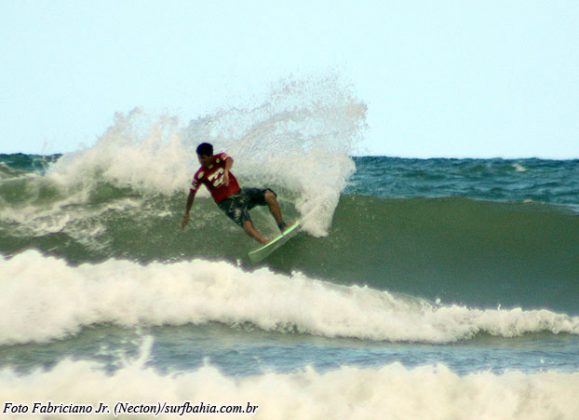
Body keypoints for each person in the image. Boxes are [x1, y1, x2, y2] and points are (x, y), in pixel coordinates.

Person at [181, 143, 287, 244]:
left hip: (240, 194)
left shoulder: (219, 158)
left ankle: (282, 226)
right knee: (245, 221)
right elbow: (192, 194)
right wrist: (187, 213)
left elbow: (229, 159)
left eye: (202, 158)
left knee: (269, 195)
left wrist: (226, 172)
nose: (200, 161)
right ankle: (264, 241)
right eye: (199, 158)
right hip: (226, 203)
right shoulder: (200, 175)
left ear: (210, 156)